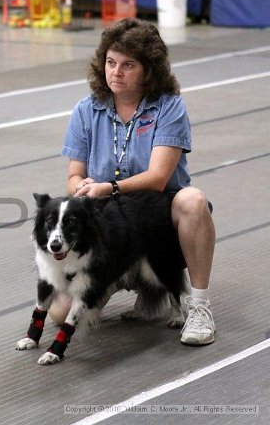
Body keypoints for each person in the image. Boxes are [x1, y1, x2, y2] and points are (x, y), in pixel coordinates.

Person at [53, 18, 216, 346]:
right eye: (111, 63)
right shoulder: (86, 110)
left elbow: (158, 178)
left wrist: (107, 188)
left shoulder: (168, 107)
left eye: (128, 65)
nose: (116, 72)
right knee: (60, 314)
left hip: (158, 218)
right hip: (109, 226)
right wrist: (81, 189)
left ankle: (197, 305)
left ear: (148, 71)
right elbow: (73, 177)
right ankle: (119, 276)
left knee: (193, 200)